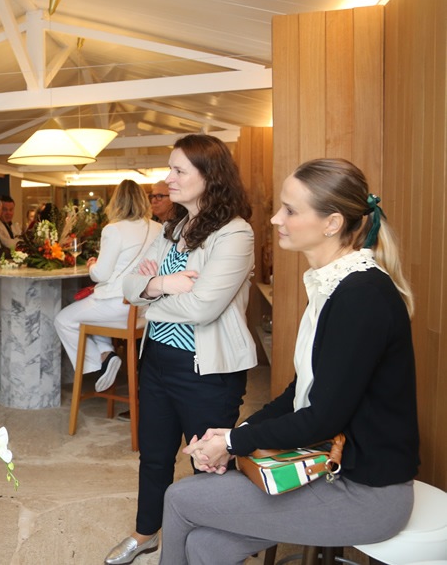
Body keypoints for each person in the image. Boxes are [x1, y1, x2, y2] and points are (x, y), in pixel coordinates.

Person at [161, 159, 419, 565]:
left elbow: (322, 418)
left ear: (331, 223)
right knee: (207, 546)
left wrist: (231, 444)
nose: (276, 218)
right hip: (327, 466)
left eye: (290, 210)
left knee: (180, 498)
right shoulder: (335, 285)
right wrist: (236, 433)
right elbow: (298, 393)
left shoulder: (362, 296)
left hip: (367, 492)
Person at [105, 134, 256, 565]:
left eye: (178, 170)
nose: (167, 179)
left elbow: (204, 307)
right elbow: (129, 285)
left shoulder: (235, 232)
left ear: (209, 176)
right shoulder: (173, 227)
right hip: (156, 359)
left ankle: (210, 546)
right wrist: (163, 283)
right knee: (153, 456)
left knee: (207, 463)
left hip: (206, 370)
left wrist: (151, 296)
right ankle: (145, 532)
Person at [53, 180, 160, 392]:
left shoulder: (114, 229)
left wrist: (92, 265)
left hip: (117, 304)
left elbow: (100, 275)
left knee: (63, 320)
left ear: (116, 202)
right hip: (144, 308)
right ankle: (106, 353)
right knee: (91, 317)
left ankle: (101, 361)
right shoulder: (158, 228)